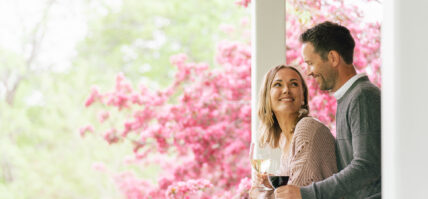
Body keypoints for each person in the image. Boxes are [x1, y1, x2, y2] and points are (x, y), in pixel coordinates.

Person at [274, 21, 381, 199]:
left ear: (332, 58)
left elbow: (367, 167)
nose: (308, 72)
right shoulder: (349, 98)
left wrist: (306, 193)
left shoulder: (362, 97)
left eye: (310, 63)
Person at [249, 65, 337, 199]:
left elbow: (296, 194)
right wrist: (271, 185)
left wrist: (260, 196)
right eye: (278, 84)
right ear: (267, 97)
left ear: (303, 97)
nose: (286, 90)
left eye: (294, 84)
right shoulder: (286, 139)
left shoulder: (307, 128)